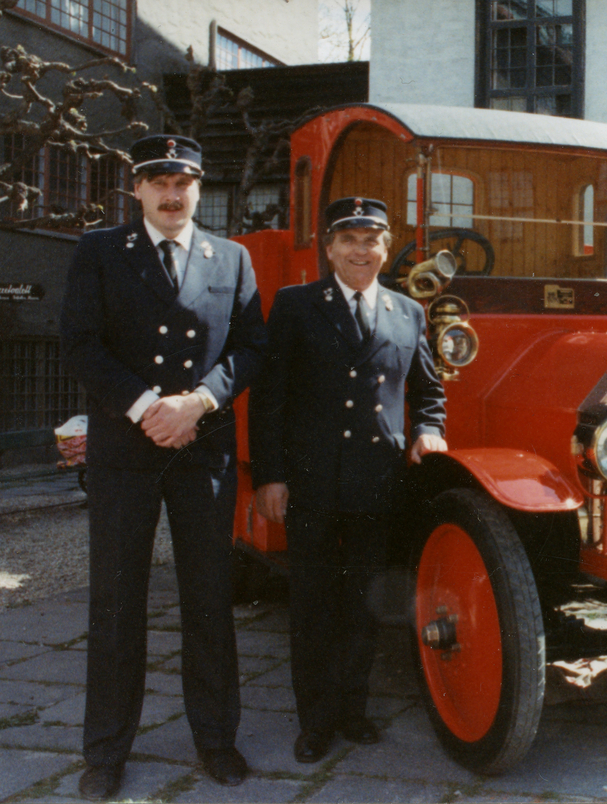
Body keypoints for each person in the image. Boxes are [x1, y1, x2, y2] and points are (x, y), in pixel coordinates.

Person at [60, 134, 266, 799]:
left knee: (209, 599)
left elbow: (251, 346)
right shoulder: (99, 251)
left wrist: (199, 402)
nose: (173, 195)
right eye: (159, 182)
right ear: (138, 188)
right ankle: (105, 752)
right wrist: (151, 405)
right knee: (117, 604)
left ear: (200, 189)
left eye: (184, 183)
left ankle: (216, 740)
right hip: (127, 451)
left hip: (202, 452)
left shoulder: (231, 258)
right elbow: (81, 342)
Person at [249, 197, 448, 764]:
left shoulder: (409, 312)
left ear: (387, 249)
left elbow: (429, 390)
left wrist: (428, 431)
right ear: (330, 248)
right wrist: (271, 476)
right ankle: (315, 723)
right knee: (312, 604)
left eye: (373, 241)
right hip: (311, 482)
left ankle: (353, 711)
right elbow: (269, 400)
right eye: (350, 240)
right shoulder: (295, 305)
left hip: (376, 481)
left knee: (364, 603)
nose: (362, 251)